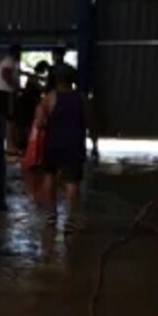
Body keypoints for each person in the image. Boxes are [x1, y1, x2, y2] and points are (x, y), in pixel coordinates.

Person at [37, 71, 96, 227]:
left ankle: (51, 214)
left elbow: (39, 122)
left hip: (53, 143)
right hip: (74, 144)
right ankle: (70, 218)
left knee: (50, 177)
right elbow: (90, 122)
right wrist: (94, 143)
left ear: (56, 81)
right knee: (72, 182)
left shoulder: (49, 98)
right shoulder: (82, 98)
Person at [0, 46, 21, 150]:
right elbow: (5, 74)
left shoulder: (9, 61)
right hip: (7, 92)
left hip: (5, 92)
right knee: (10, 119)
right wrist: (15, 87)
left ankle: (10, 144)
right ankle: (10, 145)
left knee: (9, 119)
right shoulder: (10, 61)